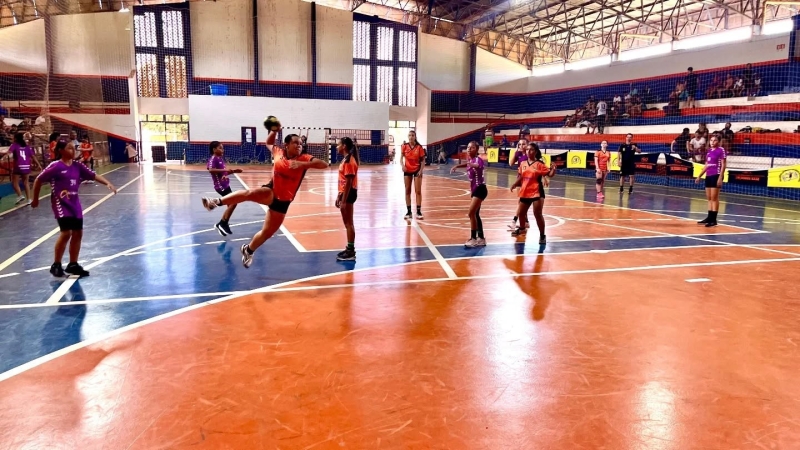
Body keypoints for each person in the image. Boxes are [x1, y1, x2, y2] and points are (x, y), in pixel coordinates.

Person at [201, 130, 328, 268]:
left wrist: (303, 165)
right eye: (295, 143)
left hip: (283, 202)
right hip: (271, 191)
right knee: (249, 193)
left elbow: (324, 164)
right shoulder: (278, 152)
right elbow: (268, 142)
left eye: (301, 144)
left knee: (267, 233)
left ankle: (248, 250)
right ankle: (215, 202)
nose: (299, 146)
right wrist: (273, 131)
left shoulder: (304, 158)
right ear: (286, 145)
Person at [32, 140, 117, 277]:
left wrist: (108, 183)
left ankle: (73, 264)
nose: (73, 151)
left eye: (74, 148)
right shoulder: (55, 166)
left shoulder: (78, 166)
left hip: (75, 204)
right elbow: (38, 180)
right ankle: (56, 264)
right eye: (70, 148)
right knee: (66, 233)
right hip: (61, 204)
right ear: (60, 151)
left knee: (78, 233)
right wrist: (35, 199)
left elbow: (93, 175)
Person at [510, 143, 555, 244]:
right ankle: (522, 228)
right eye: (527, 150)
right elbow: (521, 176)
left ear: (535, 152)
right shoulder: (523, 163)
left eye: (531, 150)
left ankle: (542, 235)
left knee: (537, 214)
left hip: (537, 192)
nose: (528, 152)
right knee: (521, 213)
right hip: (525, 191)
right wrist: (515, 184)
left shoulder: (539, 164)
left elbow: (550, 174)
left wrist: (553, 169)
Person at [450, 141, 488, 248]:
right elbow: (468, 164)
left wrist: (471, 164)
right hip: (475, 190)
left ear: (476, 150)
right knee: (476, 214)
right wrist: (457, 166)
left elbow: (477, 165)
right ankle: (481, 238)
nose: (469, 149)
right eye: (468, 147)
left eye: (472, 148)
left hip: (480, 189)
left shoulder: (478, 160)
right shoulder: (470, 160)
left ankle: (473, 239)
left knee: (471, 213)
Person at [207, 141, 243, 236]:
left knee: (231, 204)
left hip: (226, 185)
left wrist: (234, 171)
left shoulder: (220, 159)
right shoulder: (213, 159)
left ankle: (223, 223)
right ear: (214, 150)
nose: (222, 149)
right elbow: (211, 170)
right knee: (233, 202)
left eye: (222, 148)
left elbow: (223, 173)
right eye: (220, 148)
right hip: (220, 186)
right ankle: (222, 223)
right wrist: (225, 170)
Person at [335, 137, 359, 261]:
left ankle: (351, 251)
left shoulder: (349, 160)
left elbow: (349, 182)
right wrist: (339, 195)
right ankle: (349, 247)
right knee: (347, 223)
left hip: (349, 193)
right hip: (345, 193)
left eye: (338, 144)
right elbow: (343, 181)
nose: (336, 146)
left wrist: (344, 200)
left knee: (349, 223)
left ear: (344, 146)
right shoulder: (345, 159)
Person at [695, 134, 727, 228]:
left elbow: (724, 164)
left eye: (715, 140)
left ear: (718, 142)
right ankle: (709, 217)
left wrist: (720, 177)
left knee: (714, 198)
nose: (712, 142)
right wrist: (699, 176)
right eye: (711, 140)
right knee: (709, 198)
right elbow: (707, 165)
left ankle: (714, 219)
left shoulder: (721, 150)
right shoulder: (709, 151)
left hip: (716, 175)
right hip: (708, 176)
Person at [7, 132, 42, 205]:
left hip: (18, 166)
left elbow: (9, 153)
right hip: (26, 167)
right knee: (26, 182)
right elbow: (33, 156)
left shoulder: (14, 145)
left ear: (16, 138)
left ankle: (20, 195)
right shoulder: (27, 146)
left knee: (14, 182)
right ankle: (29, 199)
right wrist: (38, 164)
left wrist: (3, 156)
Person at [401, 130, 426, 220]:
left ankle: (419, 212)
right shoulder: (404, 146)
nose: (411, 137)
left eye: (412, 135)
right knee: (407, 191)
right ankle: (409, 212)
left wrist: (421, 170)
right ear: (408, 137)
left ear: (415, 137)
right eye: (409, 135)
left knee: (418, 191)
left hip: (417, 170)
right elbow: (401, 158)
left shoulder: (419, 147)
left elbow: (423, 160)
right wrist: (402, 165)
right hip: (407, 170)